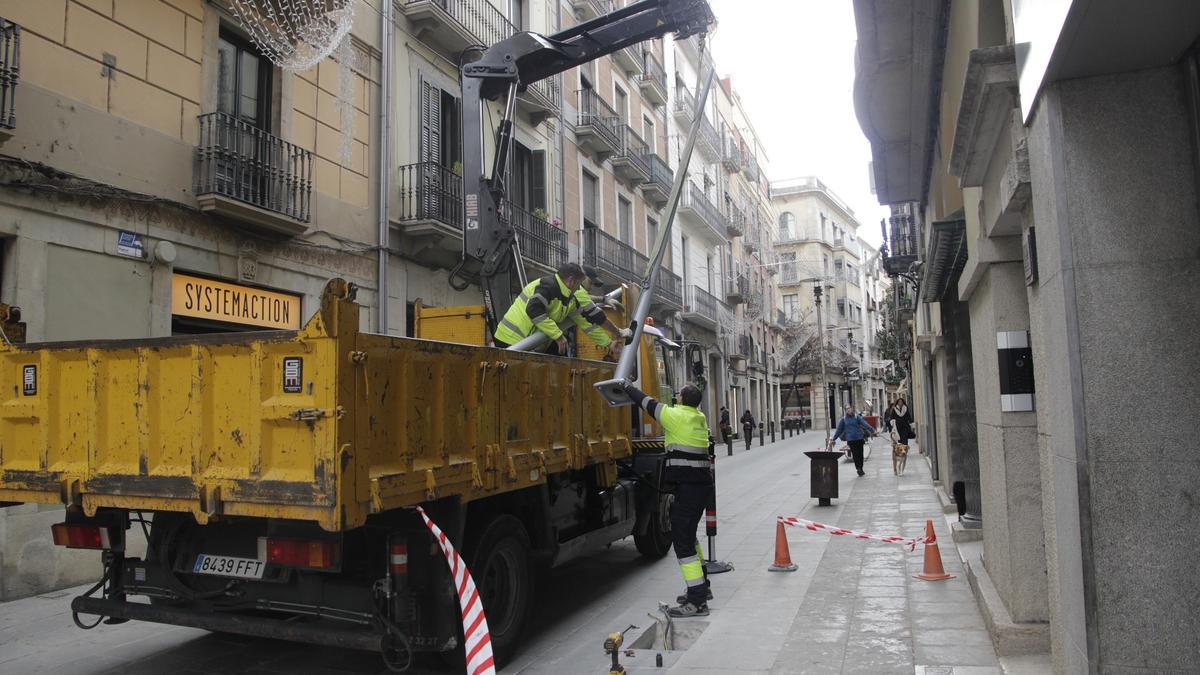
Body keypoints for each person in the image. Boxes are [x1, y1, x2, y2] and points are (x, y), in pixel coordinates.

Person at [621, 380, 713, 618]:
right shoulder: (698, 417)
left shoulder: (676, 416)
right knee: (689, 536)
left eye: (679, 394)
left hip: (690, 489)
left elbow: (647, 403)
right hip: (699, 488)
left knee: (682, 543)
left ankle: (697, 602)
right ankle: (702, 587)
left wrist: (626, 385)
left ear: (681, 399)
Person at [493, 263, 629, 356]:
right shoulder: (548, 286)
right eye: (578, 285)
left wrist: (609, 343)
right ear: (570, 281)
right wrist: (558, 336)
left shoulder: (568, 298)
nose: (579, 289)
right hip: (510, 340)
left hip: (524, 343)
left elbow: (587, 324)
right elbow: (533, 310)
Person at [832, 404, 877, 477]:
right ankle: (858, 468)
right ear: (845, 410)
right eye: (847, 409)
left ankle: (861, 468)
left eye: (849, 408)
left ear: (852, 409)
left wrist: (873, 430)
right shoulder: (843, 419)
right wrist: (834, 439)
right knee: (855, 455)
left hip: (859, 438)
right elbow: (839, 430)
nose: (848, 410)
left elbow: (865, 424)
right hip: (851, 439)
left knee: (860, 454)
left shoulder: (857, 417)